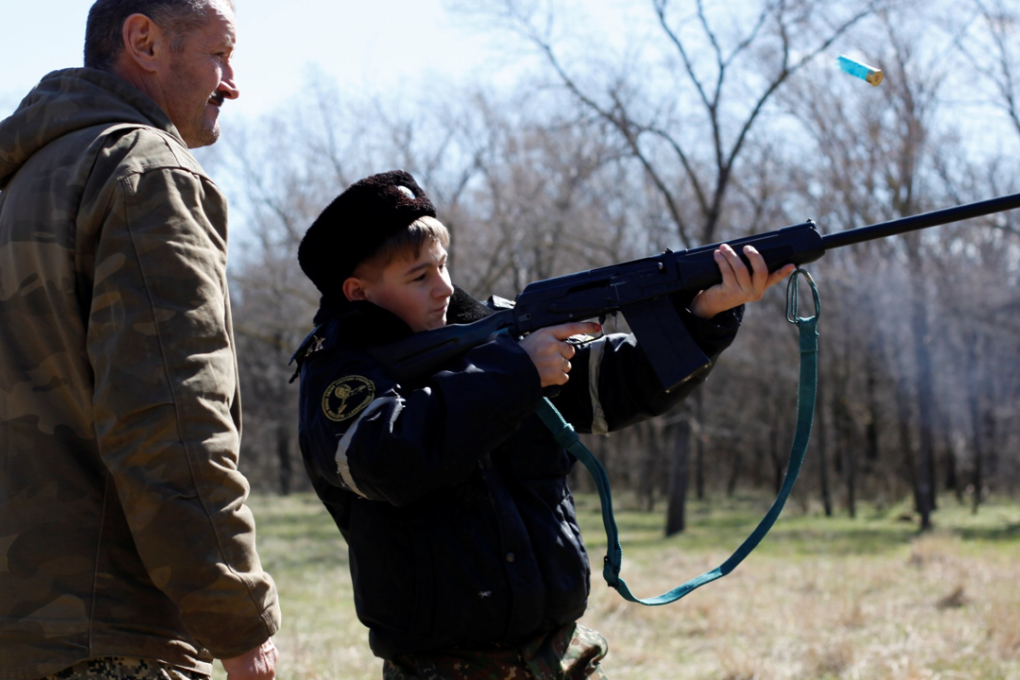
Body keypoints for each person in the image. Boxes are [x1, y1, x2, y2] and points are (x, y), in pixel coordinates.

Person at [292, 170, 794, 679]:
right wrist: (518, 373)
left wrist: (704, 315)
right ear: (357, 292)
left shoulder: (494, 337)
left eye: (443, 266)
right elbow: (387, 459)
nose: (444, 287)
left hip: (563, 653)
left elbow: (615, 387)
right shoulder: (340, 376)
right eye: (419, 277)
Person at [0, 2, 281, 680]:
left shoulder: (17, 185)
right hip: (106, 635)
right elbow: (170, 423)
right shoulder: (146, 172)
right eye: (219, 54)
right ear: (144, 41)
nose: (232, 82)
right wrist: (238, 623)